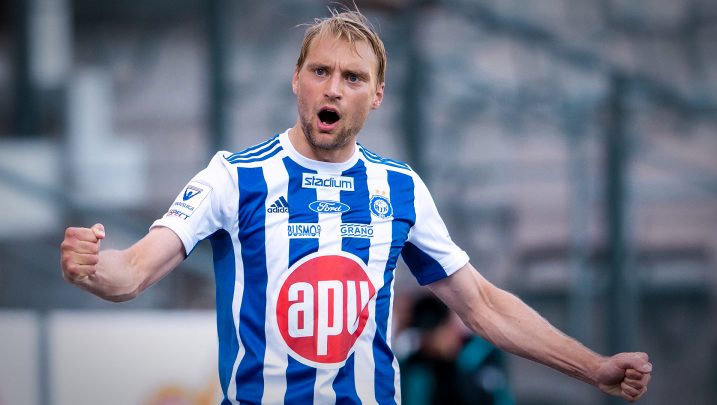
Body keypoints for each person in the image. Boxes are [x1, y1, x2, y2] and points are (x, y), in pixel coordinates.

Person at [60, 7, 652, 405]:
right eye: (319, 71)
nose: (333, 88)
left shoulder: (399, 189)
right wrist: (92, 268)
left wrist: (593, 367)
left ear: (376, 94)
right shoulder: (233, 177)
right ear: (297, 80)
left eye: (351, 77)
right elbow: (134, 270)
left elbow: (484, 306)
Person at [400, 294, 514, 405]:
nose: (429, 342)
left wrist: (455, 361)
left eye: (434, 334)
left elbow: (495, 396)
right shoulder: (417, 364)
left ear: (449, 324)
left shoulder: (482, 352)